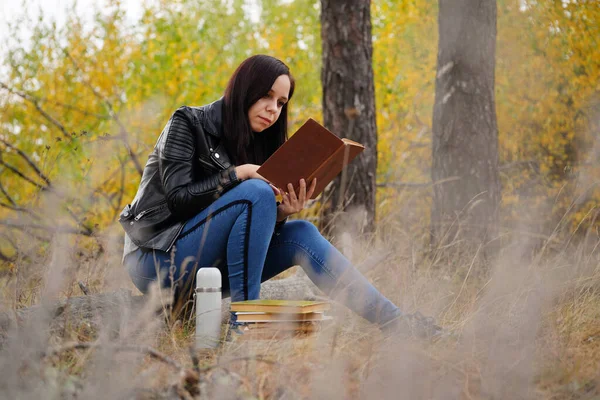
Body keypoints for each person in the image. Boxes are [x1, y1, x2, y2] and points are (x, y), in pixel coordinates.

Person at [119, 55, 441, 339]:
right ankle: (245, 328)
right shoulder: (188, 122)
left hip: (209, 270)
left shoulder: (261, 142)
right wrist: (239, 173)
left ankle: (397, 325)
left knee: (301, 232)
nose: (273, 109)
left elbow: (245, 233)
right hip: (155, 260)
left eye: (281, 102)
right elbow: (177, 199)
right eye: (267, 96)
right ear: (245, 89)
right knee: (256, 190)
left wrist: (283, 213)